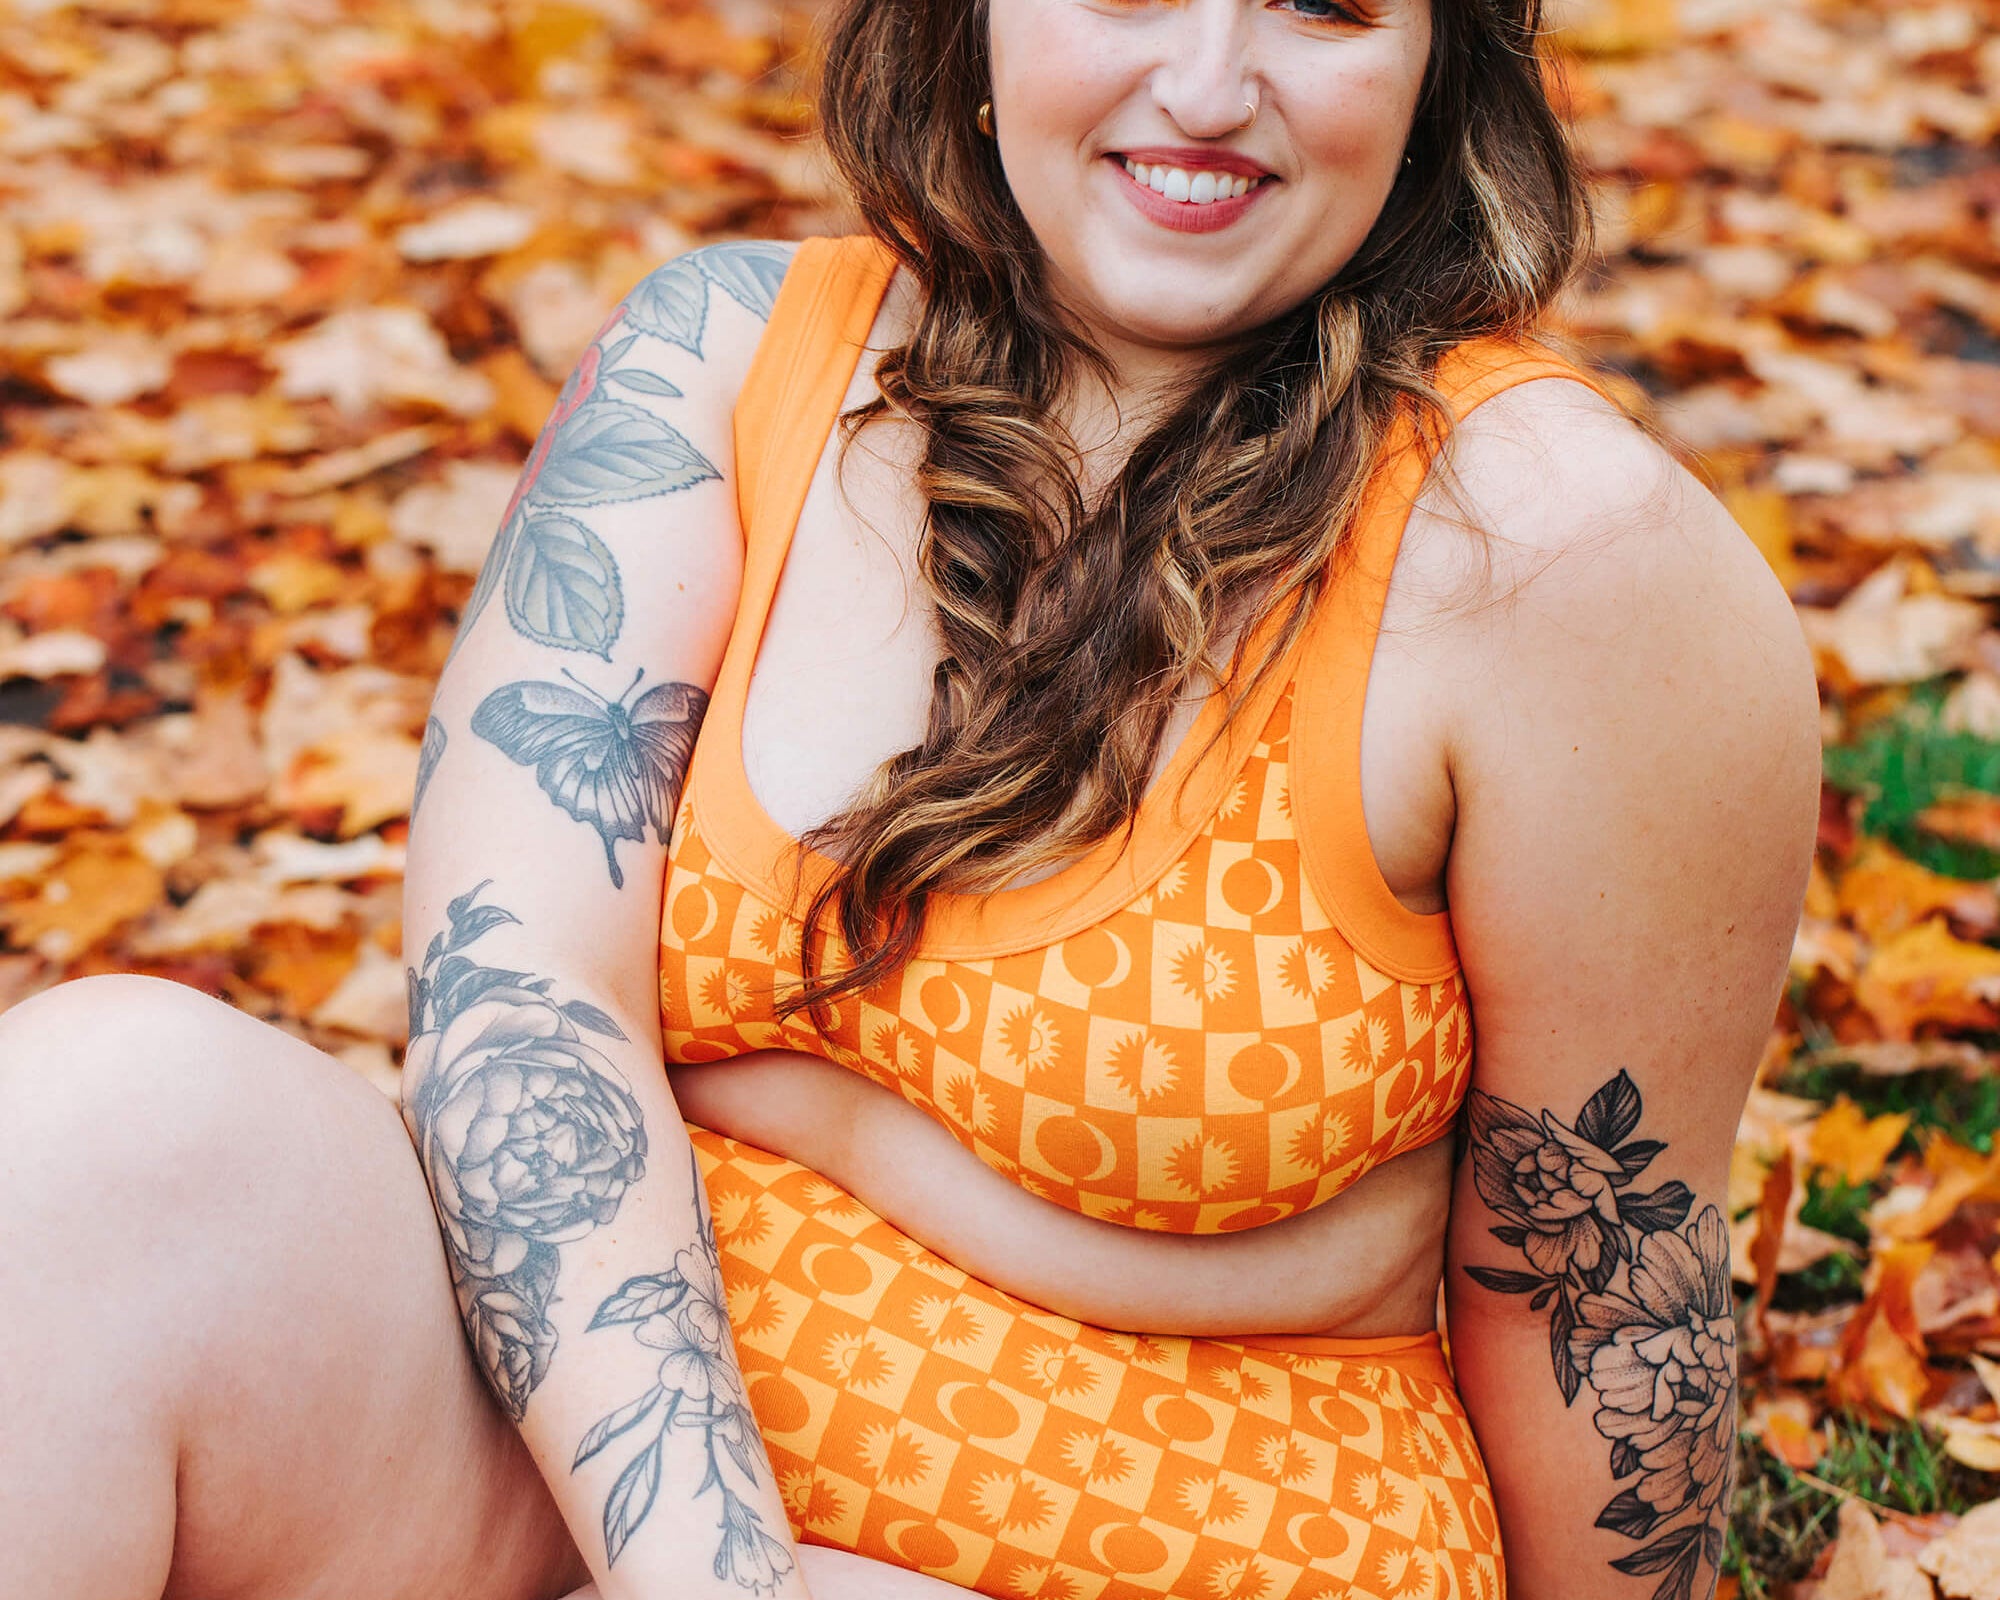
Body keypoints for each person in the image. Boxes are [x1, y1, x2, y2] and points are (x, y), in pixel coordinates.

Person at [0, 0, 1822, 1597]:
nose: (1206, 81)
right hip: (588, 1470)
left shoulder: (1563, 563)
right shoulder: (714, 363)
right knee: (101, 1124)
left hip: (1184, 1537)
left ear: (1441, 63)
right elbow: (517, 1005)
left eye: (1322, 2)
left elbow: (1595, 1298)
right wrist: (710, 1582)